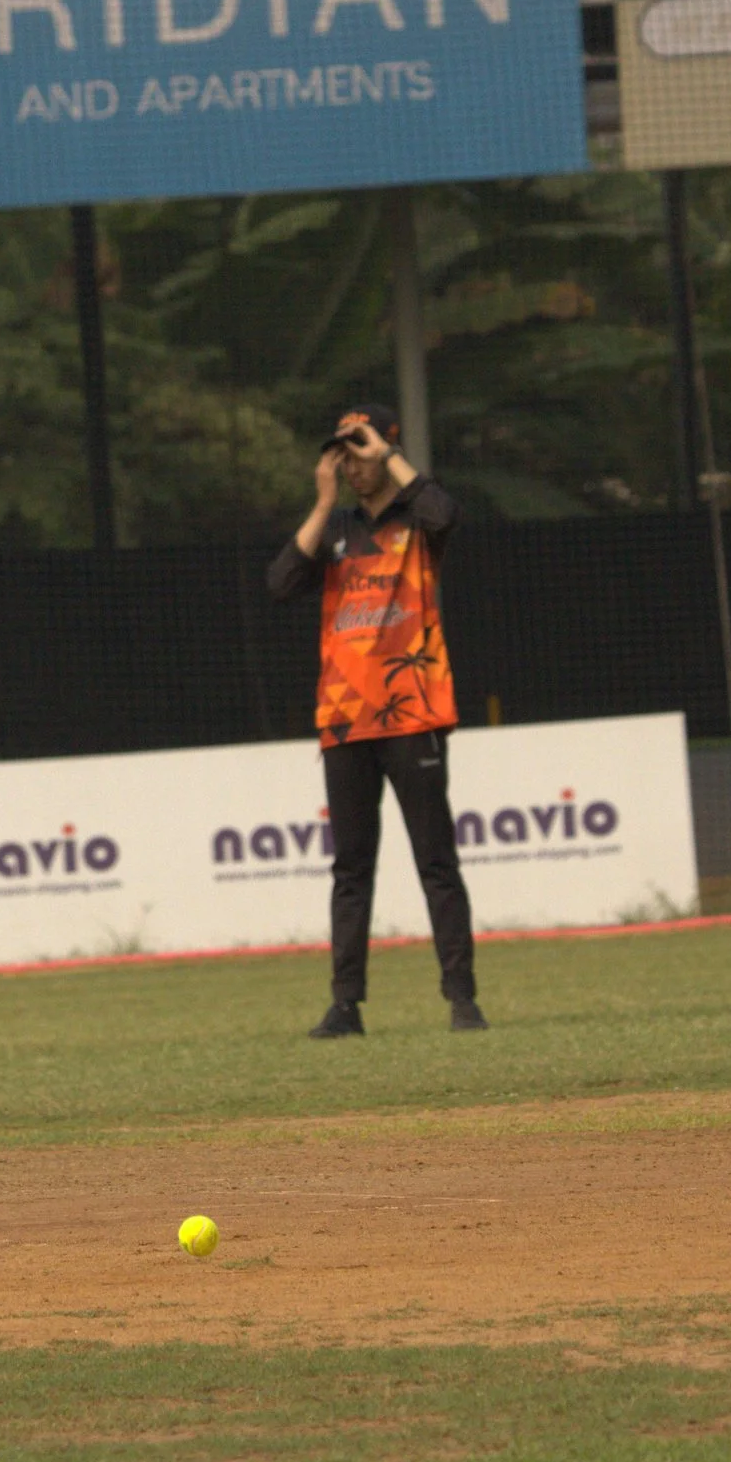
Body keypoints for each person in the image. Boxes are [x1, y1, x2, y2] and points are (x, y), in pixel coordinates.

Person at [266, 404, 484, 1039]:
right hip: (344, 722)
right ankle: (345, 1006)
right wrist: (322, 498)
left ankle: (461, 998)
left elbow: (446, 513)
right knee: (351, 870)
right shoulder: (335, 533)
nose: (352, 462)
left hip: (412, 713)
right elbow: (280, 583)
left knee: (435, 861)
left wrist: (387, 455)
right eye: (344, 451)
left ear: (387, 448)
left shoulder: (418, 519)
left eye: (360, 449)